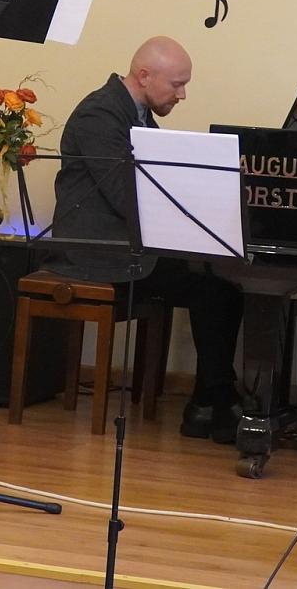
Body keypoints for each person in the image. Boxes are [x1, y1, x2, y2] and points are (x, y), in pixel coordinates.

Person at [50, 36, 245, 443]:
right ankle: (213, 402)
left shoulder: (135, 115)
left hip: (128, 243)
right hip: (98, 252)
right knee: (215, 291)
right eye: (176, 84)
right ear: (144, 75)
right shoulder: (100, 115)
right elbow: (126, 197)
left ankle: (211, 401)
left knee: (221, 281)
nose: (182, 95)